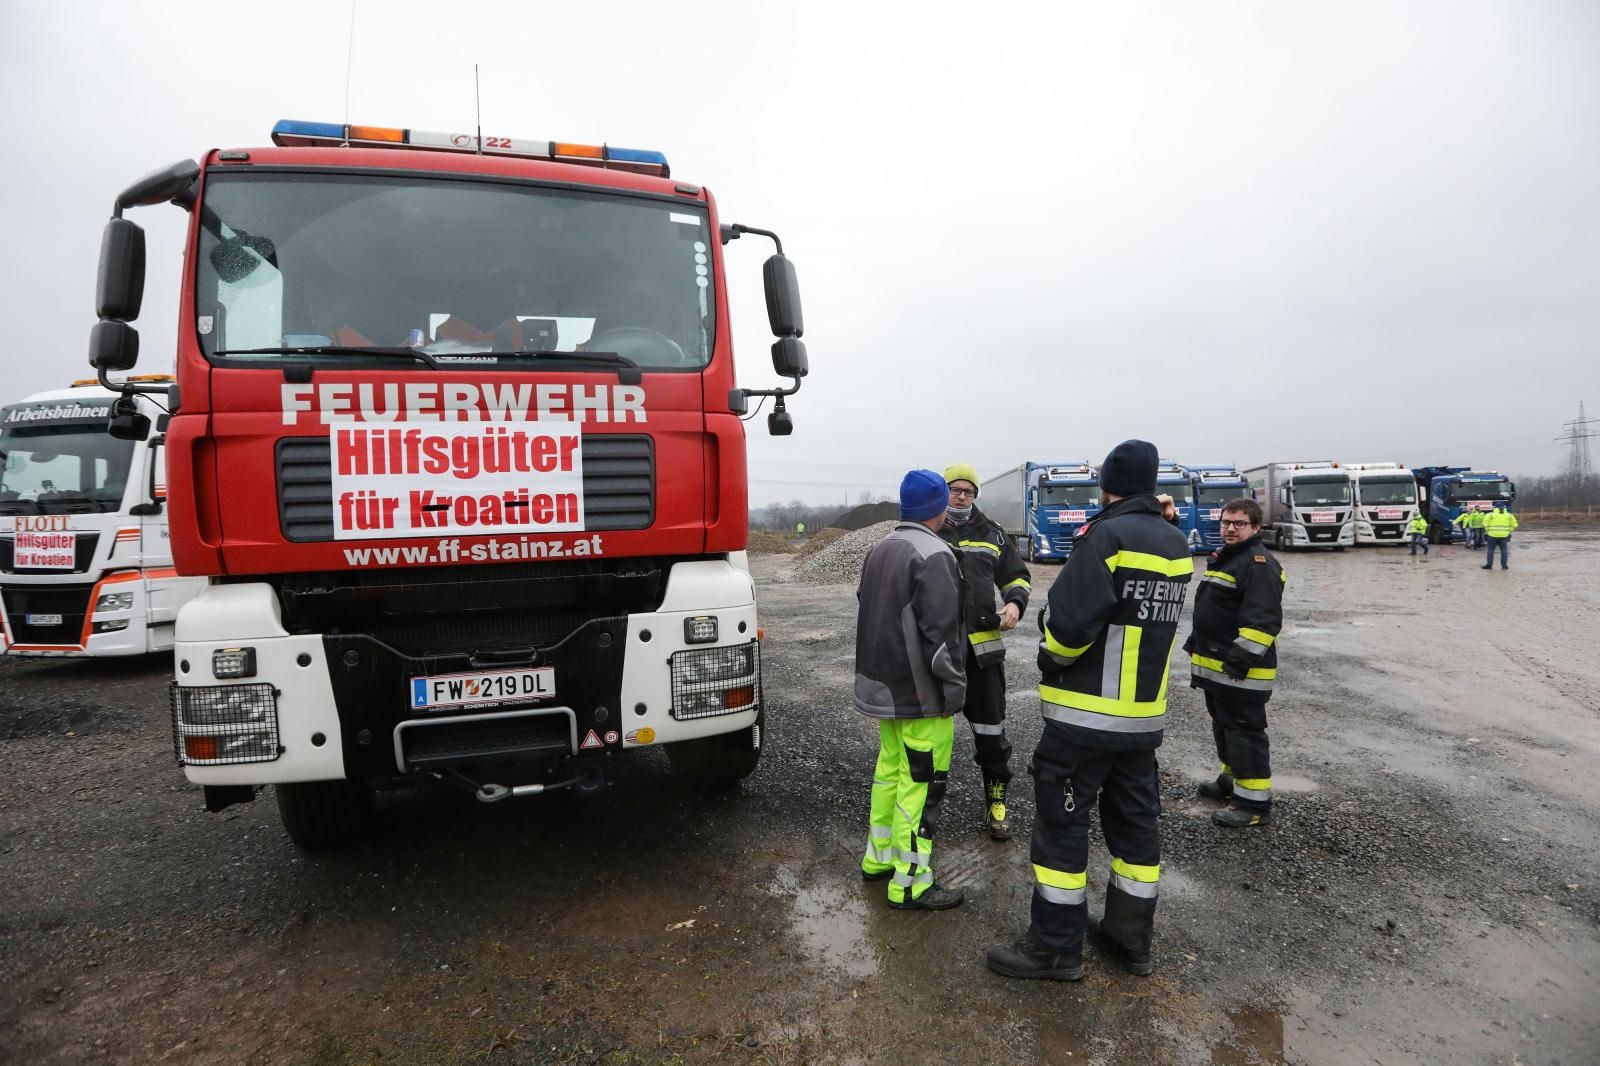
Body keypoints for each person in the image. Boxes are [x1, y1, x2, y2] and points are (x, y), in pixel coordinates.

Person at [986, 440, 1193, 981]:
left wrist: (1050, 659)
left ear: (1109, 484)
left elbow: (1070, 626)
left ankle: (1055, 948)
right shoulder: (1176, 543)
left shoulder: (1107, 536)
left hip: (1084, 721)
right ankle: (1130, 942)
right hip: (1142, 724)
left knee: (1062, 828)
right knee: (1135, 834)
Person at [855, 470, 969, 910]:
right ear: (940, 507)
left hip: (887, 691)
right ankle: (910, 882)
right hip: (923, 697)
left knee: (890, 773)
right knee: (921, 785)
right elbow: (942, 636)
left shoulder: (880, 548)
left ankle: (879, 858)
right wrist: (954, 691)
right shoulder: (935, 553)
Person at [938, 463, 1031, 839]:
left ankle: (996, 802)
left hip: (982, 654)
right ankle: (923, 807)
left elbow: (1017, 576)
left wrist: (1014, 604)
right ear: (943, 491)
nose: (962, 496)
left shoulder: (993, 533)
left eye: (969, 491)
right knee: (928, 738)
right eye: (955, 489)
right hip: (938, 656)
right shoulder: (928, 529)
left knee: (991, 735)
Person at [1186, 498, 1286, 828]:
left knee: (1244, 733)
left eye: (1239, 524)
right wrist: (1195, 643)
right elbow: (1213, 610)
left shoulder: (1258, 564)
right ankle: (1231, 781)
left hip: (1241, 673)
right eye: (1226, 522)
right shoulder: (1228, 559)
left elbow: (1262, 622)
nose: (1230, 528)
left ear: (1256, 527)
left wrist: (1238, 661)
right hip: (1220, 670)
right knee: (1224, 725)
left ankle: (1253, 804)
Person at [1482, 503, 1519, 570]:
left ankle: (1489, 565)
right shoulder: (1509, 515)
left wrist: (1488, 531)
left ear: (1495, 508)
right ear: (1504, 507)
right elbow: (1515, 525)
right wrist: (1508, 531)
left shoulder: (1490, 515)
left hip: (1492, 535)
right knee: (1504, 551)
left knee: (1490, 551)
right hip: (1504, 536)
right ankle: (1504, 566)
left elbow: (1484, 523)